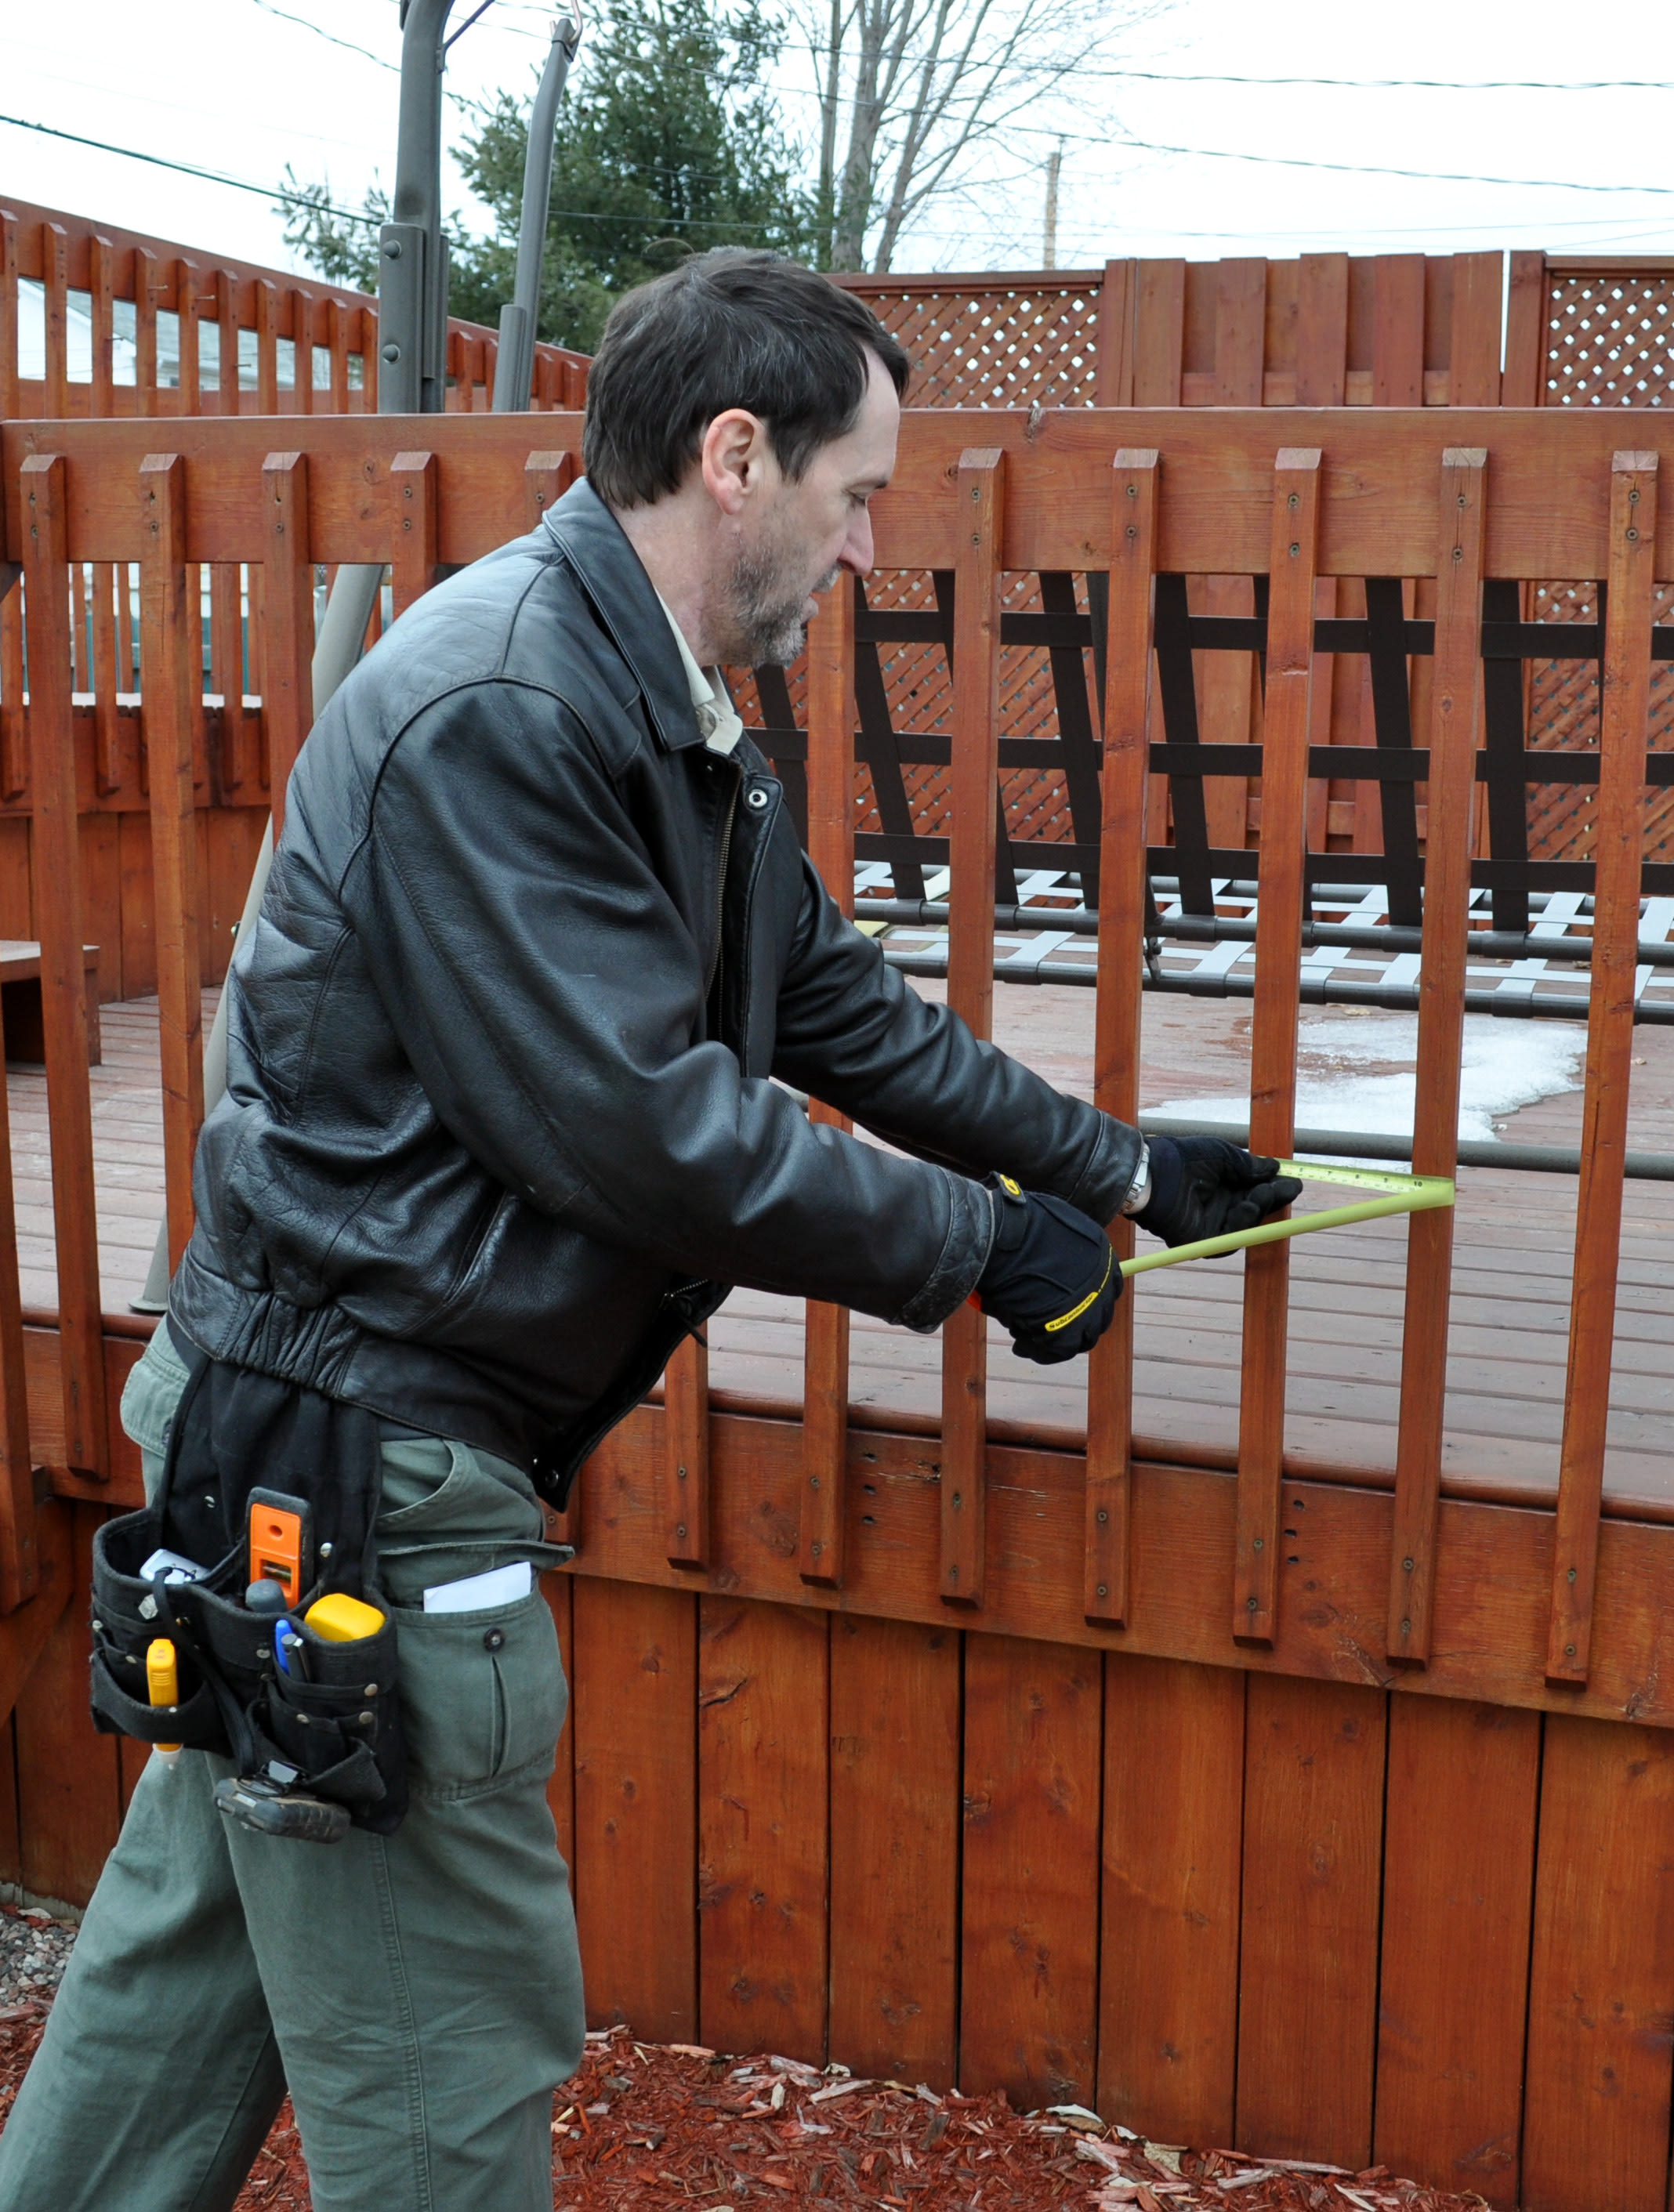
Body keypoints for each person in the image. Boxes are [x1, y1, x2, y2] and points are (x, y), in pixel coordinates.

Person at [0, 249, 1297, 2212]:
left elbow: (825, 1000)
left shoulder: (645, 685)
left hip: (300, 1425)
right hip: (356, 1458)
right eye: (862, 494)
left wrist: (1111, 1166)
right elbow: (649, 1132)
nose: (871, 548)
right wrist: (978, 1245)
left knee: (178, 1994)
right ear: (738, 453)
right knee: (444, 2078)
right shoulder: (512, 704)